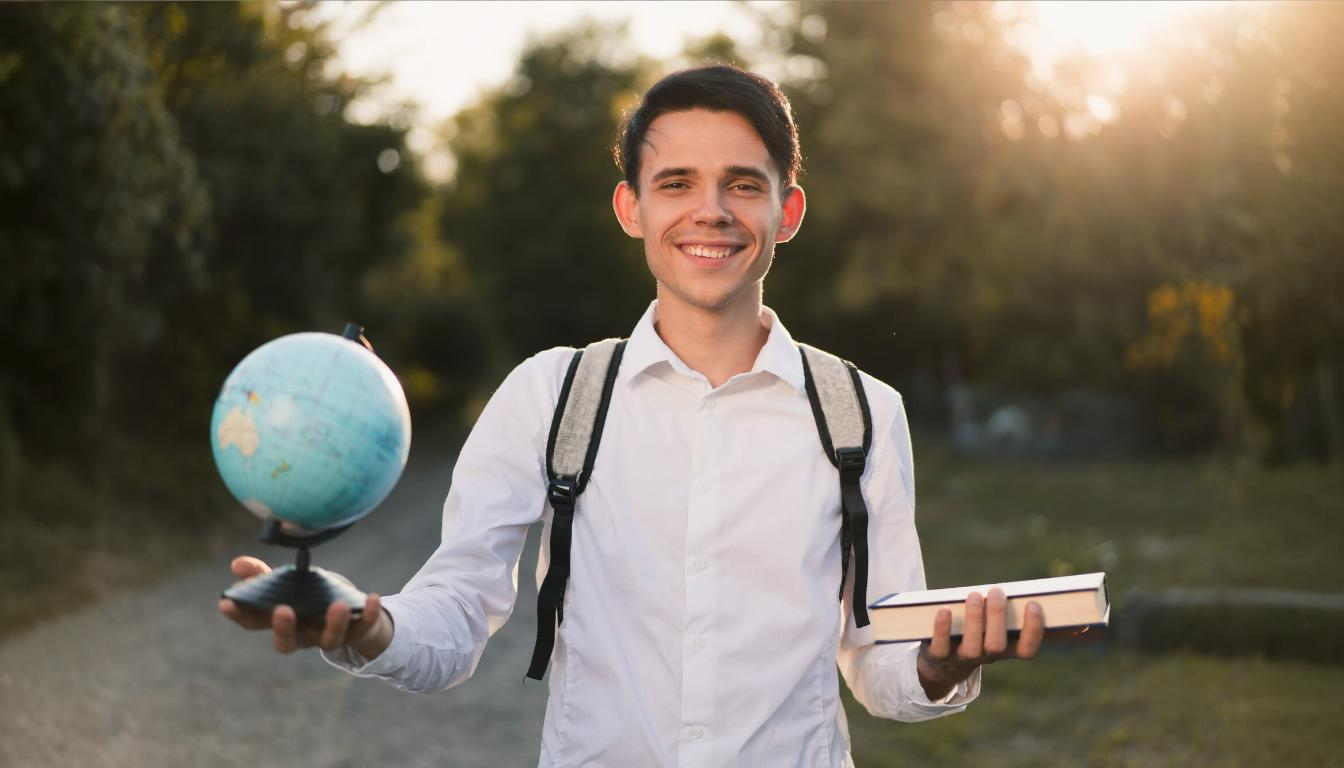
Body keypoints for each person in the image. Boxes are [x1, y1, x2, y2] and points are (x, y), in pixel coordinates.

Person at [220, 64, 1044, 767]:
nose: (710, 211)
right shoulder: (551, 396)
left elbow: (880, 664)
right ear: (631, 209)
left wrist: (940, 665)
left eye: (743, 185)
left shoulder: (863, 414)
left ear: (787, 213)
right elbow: (459, 608)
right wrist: (367, 625)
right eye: (676, 183)